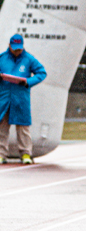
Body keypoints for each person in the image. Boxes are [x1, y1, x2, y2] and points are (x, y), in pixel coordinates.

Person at [0, 34, 46, 164]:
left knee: (23, 128)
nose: (17, 51)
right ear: (9, 45)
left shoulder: (29, 59)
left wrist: (28, 82)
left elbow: (41, 73)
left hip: (21, 99)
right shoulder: (2, 58)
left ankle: (26, 154)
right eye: (14, 48)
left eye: (19, 48)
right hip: (4, 99)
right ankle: (1, 154)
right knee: (2, 127)